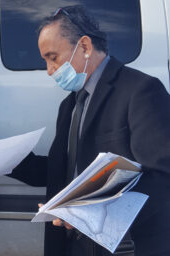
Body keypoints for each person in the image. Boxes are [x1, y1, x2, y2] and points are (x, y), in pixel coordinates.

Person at [10, 5, 170, 256]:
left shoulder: (140, 91)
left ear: (84, 46)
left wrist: (94, 215)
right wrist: (10, 162)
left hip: (122, 246)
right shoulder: (70, 104)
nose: (50, 70)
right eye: (46, 61)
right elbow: (64, 171)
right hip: (73, 243)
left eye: (53, 57)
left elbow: (160, 177)